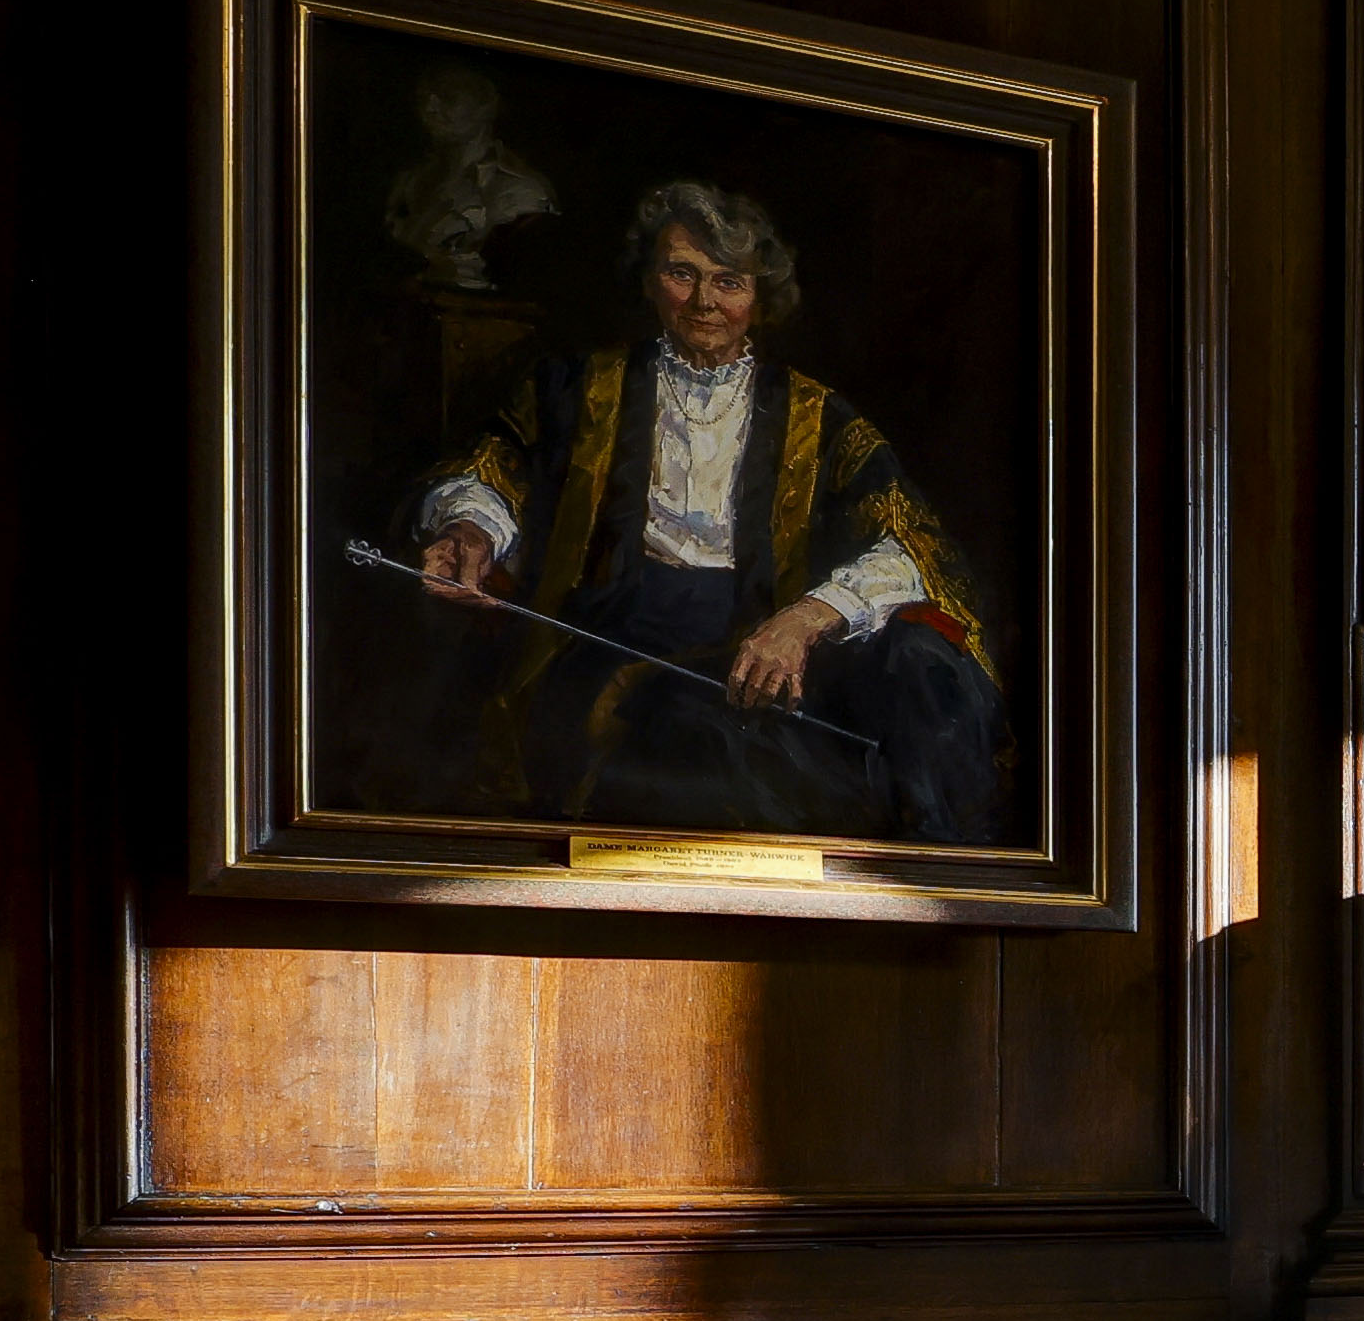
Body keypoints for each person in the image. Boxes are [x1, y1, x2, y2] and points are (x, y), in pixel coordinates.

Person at [405, 180, 1005, 842]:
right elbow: (500, 465)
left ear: (759, 295)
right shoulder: (580, 388)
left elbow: (907, 539)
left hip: (772, 630)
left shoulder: (818, 415)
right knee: (696, 738)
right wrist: (469, 528)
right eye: (682, 273)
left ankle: (943, 874)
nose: (704, 301)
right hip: (623, 631)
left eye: (729, 281)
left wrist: (808, 617)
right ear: (650, 280)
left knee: (921, 664)